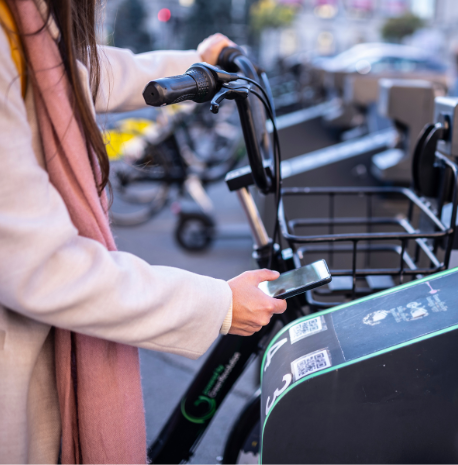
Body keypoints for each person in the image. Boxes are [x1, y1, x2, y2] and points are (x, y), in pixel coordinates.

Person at [0, 0, 286, 463]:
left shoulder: (22, 23)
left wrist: (199, 63)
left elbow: (81, 68)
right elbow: (44, 267)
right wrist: (218, 304)